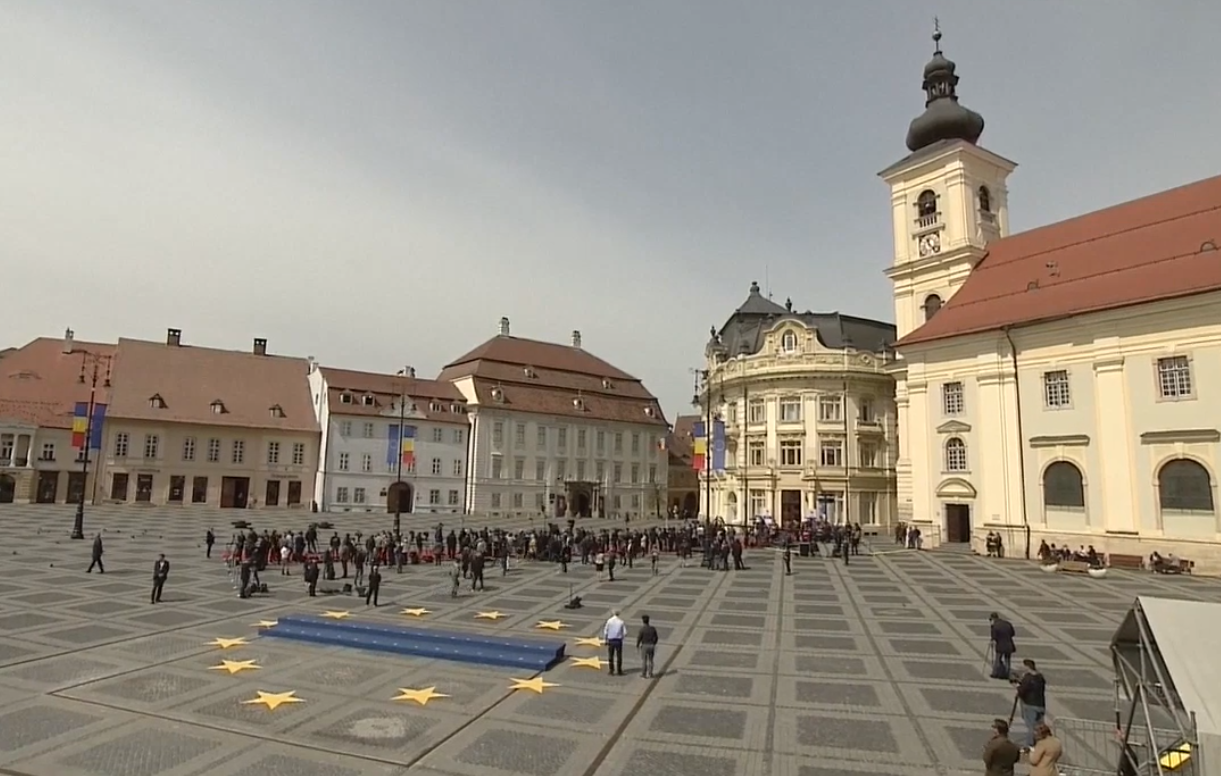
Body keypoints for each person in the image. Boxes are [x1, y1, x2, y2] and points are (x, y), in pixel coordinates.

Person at [1016, 659, 1047, 748]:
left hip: (1030, 704)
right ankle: (1041, 742)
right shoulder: (1040, 677)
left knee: (1031, 726)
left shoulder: (1028, 678)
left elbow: (1022, 691)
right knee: (1039, 725)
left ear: (1027, 667)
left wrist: (1017, 686)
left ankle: (1030, 745)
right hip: (1040, 704)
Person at [989, 612, 1017, 680]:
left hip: (1000, 645)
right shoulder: (1007, 623)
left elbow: (994, 637)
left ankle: (995, 673)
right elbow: (1013, 633)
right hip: (1009, 644)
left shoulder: (995, 626)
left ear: (992, 619)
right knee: (1007, 660)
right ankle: (1007, 674)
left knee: (998, 659)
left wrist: (992, 628)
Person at [603, 610, 626, 676]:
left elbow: (606, 631)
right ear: (618, 614)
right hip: (618, 641)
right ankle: (619, 670)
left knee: (610, 655)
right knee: (619, 656)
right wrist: (621, 637)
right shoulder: (621, 622)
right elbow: (625, 632)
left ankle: (611, 670)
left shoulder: (609, 621)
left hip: (611, 640)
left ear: (613, 614)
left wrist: (605, 640)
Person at [636, 614, 659, 678]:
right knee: (651, 660)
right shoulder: (653, 629)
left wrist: (637, 645)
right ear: (648, 621)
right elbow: (656, 637)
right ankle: (650, 673)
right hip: (651, 645)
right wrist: (654, 643)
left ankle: (644, 674)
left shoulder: (642, 629)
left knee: (644, 660)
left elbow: (639, 638)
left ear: (643, 621)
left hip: (645, 646)